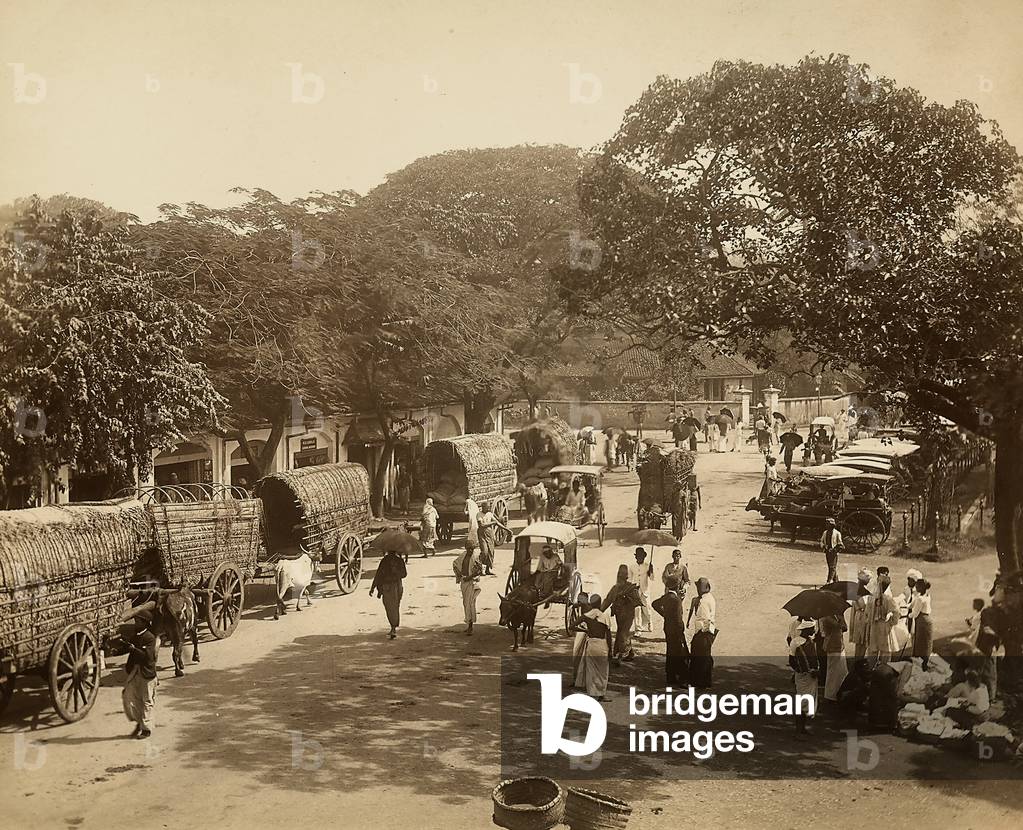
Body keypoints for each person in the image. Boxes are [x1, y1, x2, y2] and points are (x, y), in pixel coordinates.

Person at [122, 611, 159, 739]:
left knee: (147, 701)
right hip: (135, 672)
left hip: (147, 673)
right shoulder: (136, 636)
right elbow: (126, 648)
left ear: (145, 623)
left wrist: (133, 649)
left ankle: (146, 729)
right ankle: (140, 722)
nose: (135, 623)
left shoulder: (150, 638)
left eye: (138, 621)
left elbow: (147, 657)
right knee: (129, 697)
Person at [572, 594, 613, 699]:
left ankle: (592, 693)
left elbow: (571, 626)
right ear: (600, 604)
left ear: (591, 603)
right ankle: (601, 694)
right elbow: (608, 636)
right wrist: (610, 651)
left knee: (591, 670)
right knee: (603, 671)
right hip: (602, 644)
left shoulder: (586, 615)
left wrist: (585, 630)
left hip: (591, 644)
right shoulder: (605, 616)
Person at [652, 578, 689, 686]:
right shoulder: (676, 600)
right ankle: (682, 679)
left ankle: (671, 677)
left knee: (670, 652)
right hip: (676, 630)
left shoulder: (666, 597)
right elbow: (678, 618)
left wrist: (665, 615)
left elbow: (655, 604)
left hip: (668, 627)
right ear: (677, 587)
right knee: (681, 653)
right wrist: (681, 629)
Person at [602, 565, 640, 662]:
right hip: (619, 615)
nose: (620, 577)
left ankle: (620, 656)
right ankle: (629, 653)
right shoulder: (615, 588)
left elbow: (637, 602)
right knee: (622, 632)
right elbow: (608, 600)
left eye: (622, 575)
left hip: (628, 615)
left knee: (623, 633)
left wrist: (626, 598)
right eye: (619, 575)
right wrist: (599, 611)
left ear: (626, 576)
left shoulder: (631, 588)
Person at [789, 619, 819, 736]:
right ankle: (798, 730)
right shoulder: (796, 642)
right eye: (812, 629)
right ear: (806, 630)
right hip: (803, 677)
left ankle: (802, 728)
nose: (814, 630)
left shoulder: (810, 641)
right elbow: (792, 661)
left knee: (807, 702)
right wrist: (803, 671)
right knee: (802, 702)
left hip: (811, 677)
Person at [370, 549, 407, 639]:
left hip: (391, 586)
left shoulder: (387, 560)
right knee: (394, 606)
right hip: (396, 586)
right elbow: (404, 574)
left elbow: (378, 574)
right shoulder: (398, 560)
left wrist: (373, 587)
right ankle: (393, 626)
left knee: (390, 607)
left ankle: (393, 627)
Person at [688, 577, 717, 688]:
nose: (697, 589)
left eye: (698, 587)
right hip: (709, 631)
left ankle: (698, 682)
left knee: (699, 658)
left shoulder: (703, 601)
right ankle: (705, 681)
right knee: (706, 657)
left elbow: (704, 618)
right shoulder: (710, 598)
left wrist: (699, 632)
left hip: (703, 631)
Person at [867, 573, 899, 663]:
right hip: (885, 627)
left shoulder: (872, 598)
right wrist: (892, 622)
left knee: (873, 648)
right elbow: (896, 612)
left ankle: (871, 667)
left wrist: (870, 621)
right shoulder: (889, 599)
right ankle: (884, 667)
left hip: (874, 626)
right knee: (885, 650)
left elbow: (867, 612)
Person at [452, 545, 483, 635]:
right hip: (464, 582)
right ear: (466, 548)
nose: (470, 550)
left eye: (472, 549)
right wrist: (459, 574)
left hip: (472, 583)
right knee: (466, 603)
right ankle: (469, 623)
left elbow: (479, 571)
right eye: (469, 548)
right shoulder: (463, 555)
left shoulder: (476, 557)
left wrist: (469, 577)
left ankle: (470, 625)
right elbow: (455, 564)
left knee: (471, 603)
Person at [820, 612, 848, 701]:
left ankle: (839, 691)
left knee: (841, 671)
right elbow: (837, 626)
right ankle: (830, 694)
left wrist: (841, 619)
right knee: (832, 671)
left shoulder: (839, 615)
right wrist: (840, 621)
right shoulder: (826, 617)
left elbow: (845, 628)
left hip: (840, 645)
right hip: (832, 646)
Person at [477, 502, 507, 576]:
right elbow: (481, 525)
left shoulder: (490, 514)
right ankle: (479, 568)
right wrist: (492, 523)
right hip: (482, 534)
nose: (488, 508)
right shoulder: (479, 514)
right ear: (483, 507)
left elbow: (496, 522)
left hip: (489, 534)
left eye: (489, 507)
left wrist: (506, 529)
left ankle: (487, 570)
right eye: (487, 507)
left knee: (491, 551)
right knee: (484, 552)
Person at [848, 567, 872, 659]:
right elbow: (863, 604)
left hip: (863, 615)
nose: (869, 581)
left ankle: (859, 660)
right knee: (860, 641)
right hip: (861, 616)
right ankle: (858, 661)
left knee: (863, 642)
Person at [629, 548, 654, 634]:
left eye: (642, 556)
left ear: (644, 557)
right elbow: (629, 579)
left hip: (645, 590)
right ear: (636, 557)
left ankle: (650, 622)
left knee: (647, 609)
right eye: (639, 556)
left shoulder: (647, 566)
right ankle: (638, 629)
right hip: (635, 591)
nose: (640, 558)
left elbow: (652, 578)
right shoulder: (632, 567)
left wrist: (651, 571)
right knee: (637, 610)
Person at [910, 578, 933, 669]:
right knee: (926, 642)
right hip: (927, 619)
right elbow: (912, 604)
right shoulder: (926, 595)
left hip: (922, 621)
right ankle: (924, 662)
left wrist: (907, 615)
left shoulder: (920, 598)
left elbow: (915, 613)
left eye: (917, 586)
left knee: (920, 642)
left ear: (921, 587)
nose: (915, 587)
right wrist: (906, 606)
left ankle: (921, 664)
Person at [820, 517, 843, 584]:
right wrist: (824, 546)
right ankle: (836, 581)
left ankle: (829, 581)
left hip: (834, 552)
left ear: (832, 525)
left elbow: (840, 543)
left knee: (832, 567)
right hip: (827, 552)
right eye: (826, 524)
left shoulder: (837, 533)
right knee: (831, 567)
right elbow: (821, 541)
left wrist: (835, 550)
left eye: (828, 524)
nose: (826, 525)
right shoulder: (825, 533)